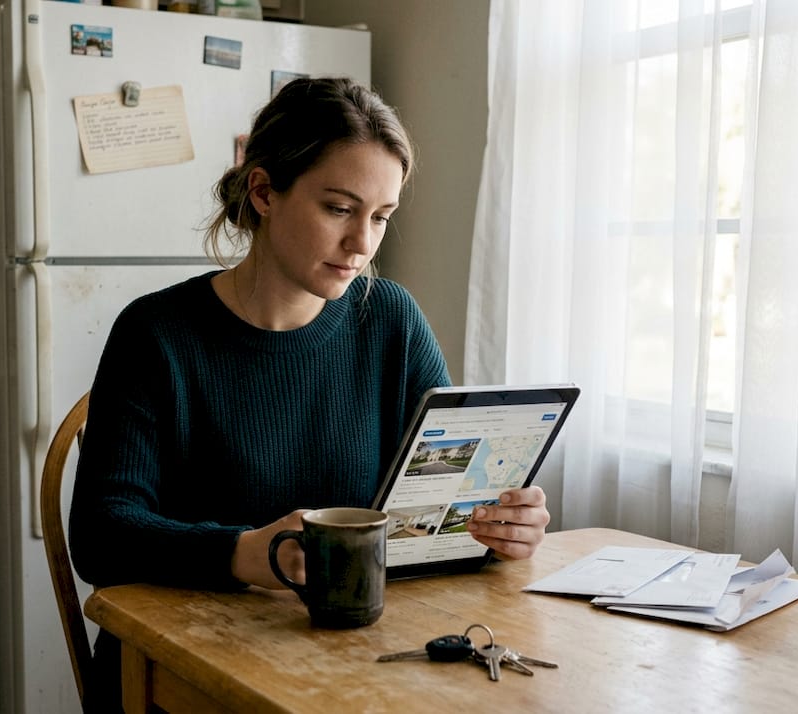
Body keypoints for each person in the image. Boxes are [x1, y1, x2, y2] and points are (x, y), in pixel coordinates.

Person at [69, 76, 550, 709]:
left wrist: (498, 525)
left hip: (348, 667)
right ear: (264, 191)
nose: (363, 244)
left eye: (380, 217)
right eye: (338, 209)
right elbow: (102, 535)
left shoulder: (391, 320)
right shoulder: (156, 333)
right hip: (181, 672)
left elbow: (439, 495)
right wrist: (246, 554)